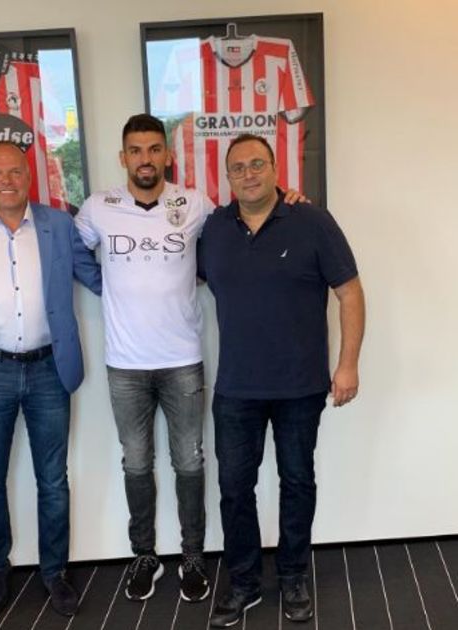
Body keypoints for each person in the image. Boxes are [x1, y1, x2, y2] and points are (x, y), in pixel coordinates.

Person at [197, 134, 365, 627]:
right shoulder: (213, 229)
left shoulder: (312, 222)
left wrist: (348, 364)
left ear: (275, 169)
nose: (248, 174)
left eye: (257, 164)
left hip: (299, 386)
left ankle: (293, 576)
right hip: (236, 388)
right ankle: (244, 583)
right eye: (238, 168)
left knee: (297, 482)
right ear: (227, 178)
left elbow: (350, 293)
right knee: (234, 488)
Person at [0, 141, 101, 617]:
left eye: (15, 171)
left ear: (30, 176)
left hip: (49, 368)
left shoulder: (59, 224)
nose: (7, 180)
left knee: (52, 479)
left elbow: (98, 275)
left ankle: (55, 572)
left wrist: (167, 268)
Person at [73, 113, 212, 603]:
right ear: (123, 157)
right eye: (136, 150)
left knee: (189, 461)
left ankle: (192, 555)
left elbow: (232, 235)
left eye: (154, 149)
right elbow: (68, 250)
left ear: (167, 155)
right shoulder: (99, 207)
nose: (145, 159)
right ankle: (145, 555)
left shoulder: (194, 203)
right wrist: (104, 286)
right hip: (126, 364)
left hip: (182, 359)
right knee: (136, 463)